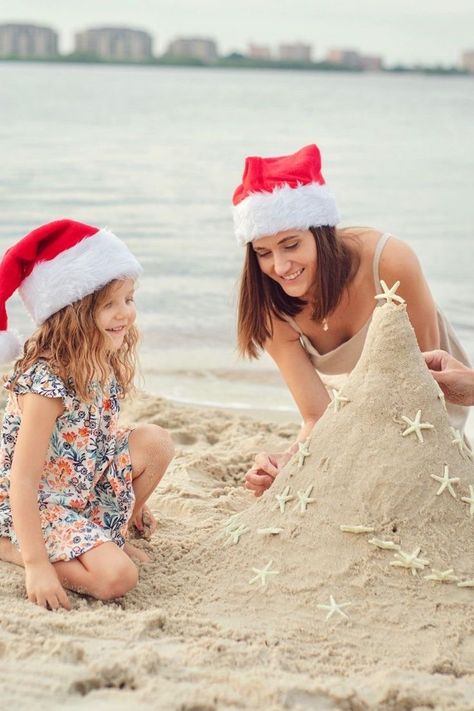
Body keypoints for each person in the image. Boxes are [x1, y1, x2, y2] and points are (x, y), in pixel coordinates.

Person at [232, 144, 471, 497]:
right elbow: (316, 416)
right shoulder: (272, 308)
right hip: (354, 407)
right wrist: (292, 461)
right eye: (264, 253)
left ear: (320, 232)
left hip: (432, 395)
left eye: (292, 244)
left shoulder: (388, 261)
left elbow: (423, 390)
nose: (279, 267)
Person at [0, 219, 174, 610]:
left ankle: (106, 532)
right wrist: (36, 565)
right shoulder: (47, 382)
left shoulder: (101, 357)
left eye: (128, 299)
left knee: (157, 442)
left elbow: (100, 437)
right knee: (118, 577)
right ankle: (10, 547)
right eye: (108, 304)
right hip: (38, 502)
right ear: (73, 312)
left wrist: (132, 503)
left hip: (83, 483)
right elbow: (22, 481)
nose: (124, 314)